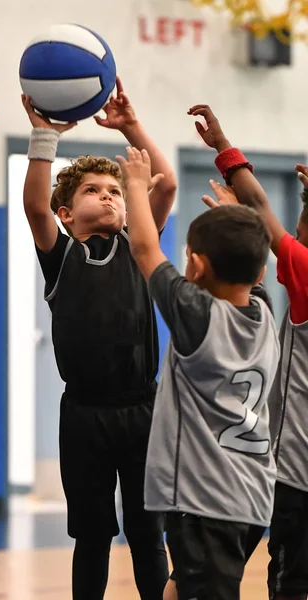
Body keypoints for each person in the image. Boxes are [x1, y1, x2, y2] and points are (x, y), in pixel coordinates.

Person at [21, 78, 177, 600]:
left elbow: (166, 184)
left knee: (146, 534)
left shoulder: (140, 246)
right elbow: (36, 208)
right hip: (84, 415)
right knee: (91, 537)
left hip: (142, 410)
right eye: (92, 191)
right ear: (68, 213)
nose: (108, 196)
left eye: (114, 191)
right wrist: (44, 136)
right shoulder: (61, 254)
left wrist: (131, 126)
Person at [116, 144, 280, 600]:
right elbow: (255, 276)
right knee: (182, 585)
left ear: (197, 265)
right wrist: (239, 219)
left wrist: (133, 183)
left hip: (205, 500)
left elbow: (145, 247)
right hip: (249, 497)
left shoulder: (197, 315)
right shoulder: (263, 314)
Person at [191, 103, 308, 600]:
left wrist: (223, 148)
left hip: (298, 479)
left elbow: (260, 211)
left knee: (289, 587)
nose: (297, 224)